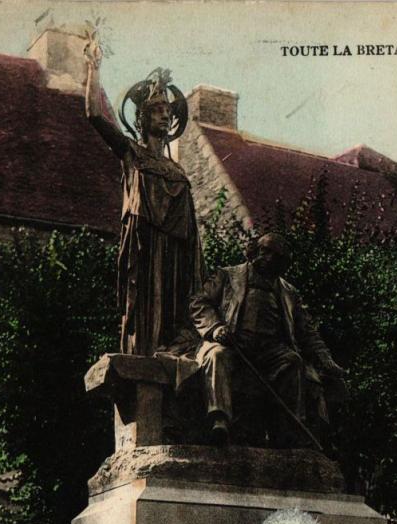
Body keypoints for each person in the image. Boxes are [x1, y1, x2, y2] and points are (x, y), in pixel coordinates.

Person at [84, 33, 204, 356]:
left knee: (172, 312)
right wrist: (94, 67)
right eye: (157, 110)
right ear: (142, 117)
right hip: (146, 246)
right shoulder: (132, 154)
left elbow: (191, 231)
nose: (165, 115)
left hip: (177, 256)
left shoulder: (179, 172)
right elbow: (95, 115)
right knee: (145, 315)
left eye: (168, 111)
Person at [189, 232, 346, 446]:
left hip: (270, 351)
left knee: (293, 361)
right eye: (265, 251)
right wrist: (215, 327)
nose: (270, 258)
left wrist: (326, 360)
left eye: (277, 256)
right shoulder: (228, 276)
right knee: (217, 356)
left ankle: (288, 433)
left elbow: (308, 332)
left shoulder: (289, 292)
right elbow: (199, 303)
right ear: (254, 251)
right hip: (233, 342)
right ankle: (220, 420)